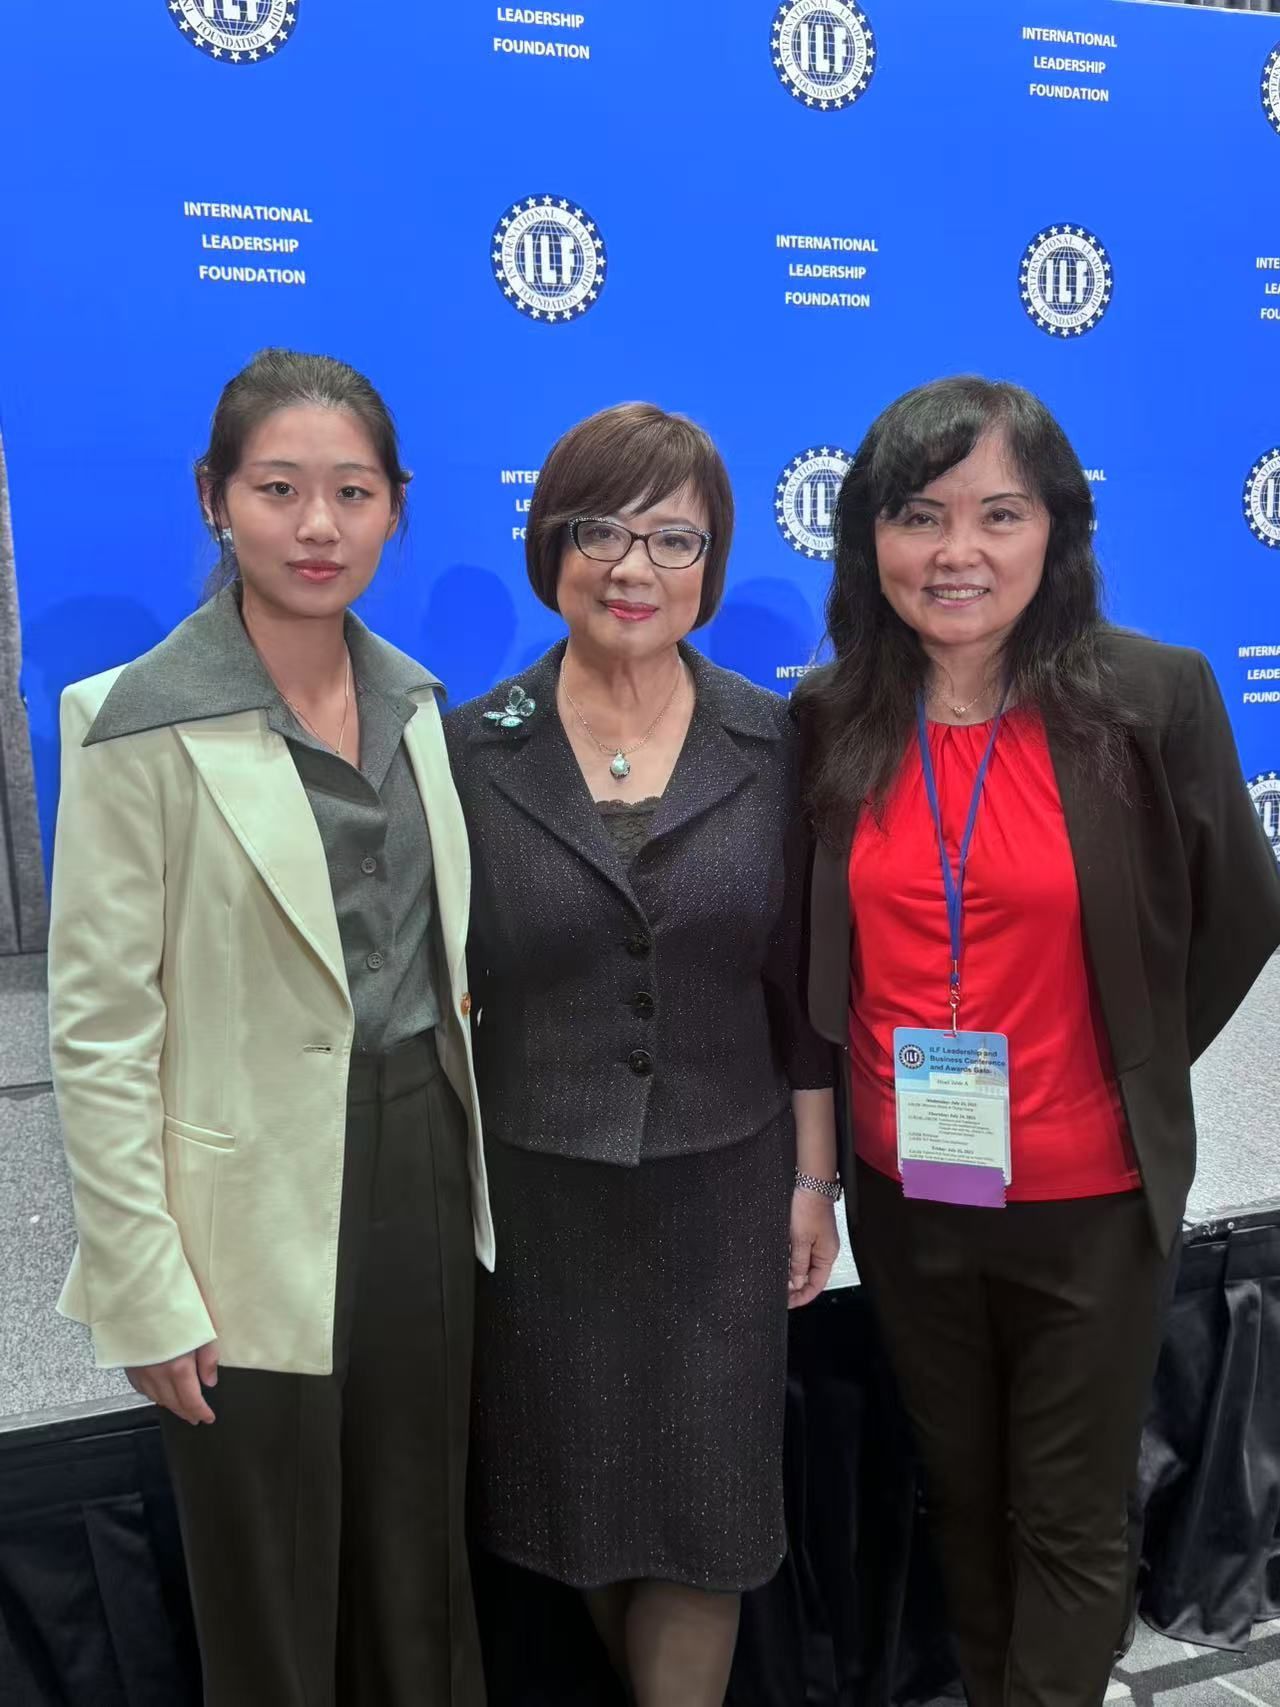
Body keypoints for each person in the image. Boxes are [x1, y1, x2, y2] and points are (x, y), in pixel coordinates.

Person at [793, 374, 1280, 1707]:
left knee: (1067, 1519)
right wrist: (820, 1172)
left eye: (998, 514)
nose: (958, 553)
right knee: (962, 1497)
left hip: (1091, 1193)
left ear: (1056, 531)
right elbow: (810, 952)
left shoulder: (1150, 698)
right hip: (911, 1191)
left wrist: (1123, 1062)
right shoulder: (832, 716)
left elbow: (1240, 910)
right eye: (919, 516)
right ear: (869, 540)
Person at [47, 348, 493, 1707]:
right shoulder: (126, 725)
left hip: (422, 1152)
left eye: (352, 493)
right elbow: (103, 1029)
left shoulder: (424, 709)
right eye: (280, 489)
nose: (317, 526)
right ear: (214, 499)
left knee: (420, 1546)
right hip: (238, 1203)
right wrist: (143, 1278)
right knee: (270, 1568)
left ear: (395, 511)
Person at [444, 402, 839, 1707]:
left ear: (714, 562)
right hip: (545, 1201)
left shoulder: (776, 743)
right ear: (551, 544)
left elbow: (803, 990)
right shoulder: (468, 749)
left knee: (706, 1513)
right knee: (583, 1511)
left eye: (673, 538)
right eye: (600, 531)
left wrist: (809, 1181)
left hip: (722, 1193)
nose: (633, 568)